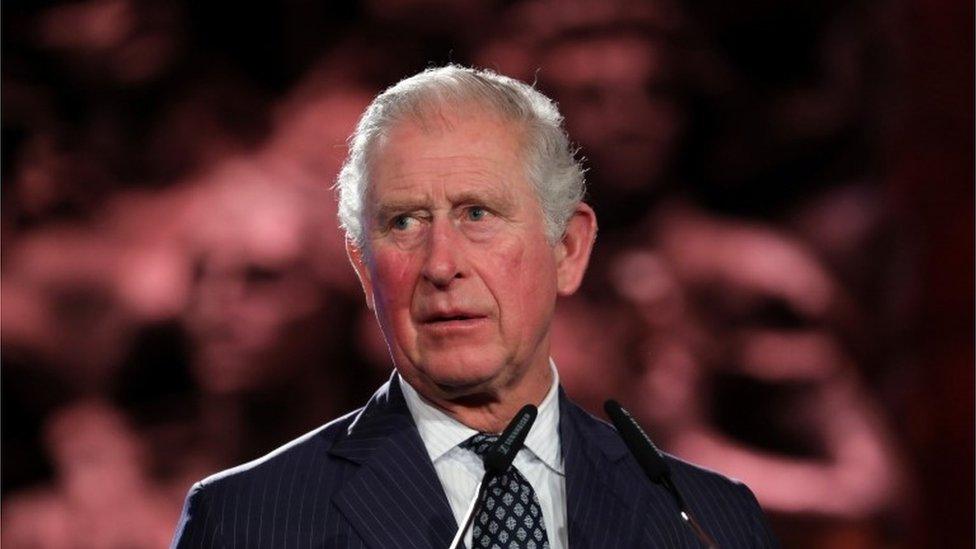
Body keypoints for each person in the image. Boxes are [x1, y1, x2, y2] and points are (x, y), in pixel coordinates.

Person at [171, 65, 778, 548]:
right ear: (362, 267)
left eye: (478, 215)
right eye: (404, 222)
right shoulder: (242, 522)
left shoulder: (711, 521)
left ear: (568, 248)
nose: (441, 265)